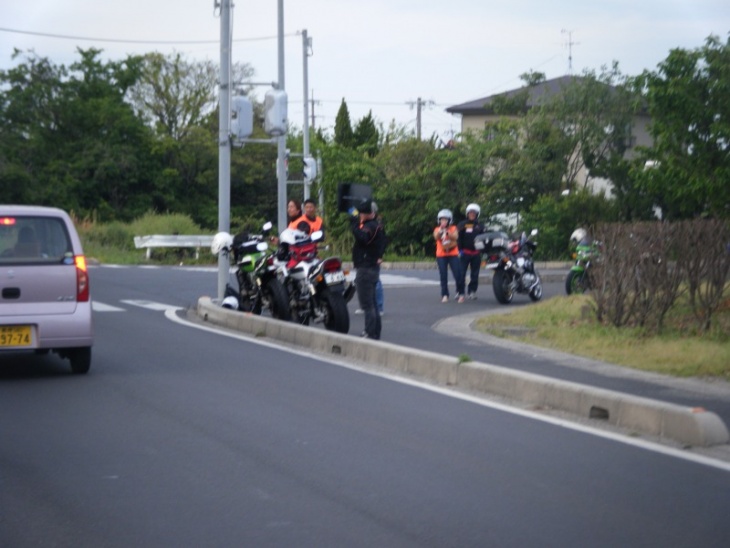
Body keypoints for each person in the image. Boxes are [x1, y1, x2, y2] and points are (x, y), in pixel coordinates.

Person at [350, 198, 387, 339]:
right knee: (373, 303)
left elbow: (363, 238)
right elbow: (383, 242)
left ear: (367, 213)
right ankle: (375, 332)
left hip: (365, 267)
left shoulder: (370, 226)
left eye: (361, 213)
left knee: (367, 304)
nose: (359, 215)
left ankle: (369, 331)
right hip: (372, 267)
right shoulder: (377, 225)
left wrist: (354, 225)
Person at [434, 208, 464, 303]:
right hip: (441, 254)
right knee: (443, 275)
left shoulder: (453, 228)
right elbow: (436, 237)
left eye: (445, 220)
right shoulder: (437, 229)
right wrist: (441, 231)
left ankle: (461, 293)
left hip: (453, 254)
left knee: (457, 274)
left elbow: (456, 237)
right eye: (442, 219)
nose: (443, 221)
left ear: (449, 220)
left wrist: (447, 232)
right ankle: (445, 294)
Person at [457, 203, 485, 299]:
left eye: (474, 213)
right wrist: (459, 250)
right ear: (467, 214)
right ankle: (459, 292)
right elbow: (458, 238)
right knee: (461, 273)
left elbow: (484, 239)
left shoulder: (480, 226)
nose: (472, 214)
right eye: (470, 213)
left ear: (477, 214)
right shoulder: (462, 224)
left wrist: (483, 251)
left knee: (475, 274)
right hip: (464, 252)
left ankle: (472, 291)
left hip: (476, 253)